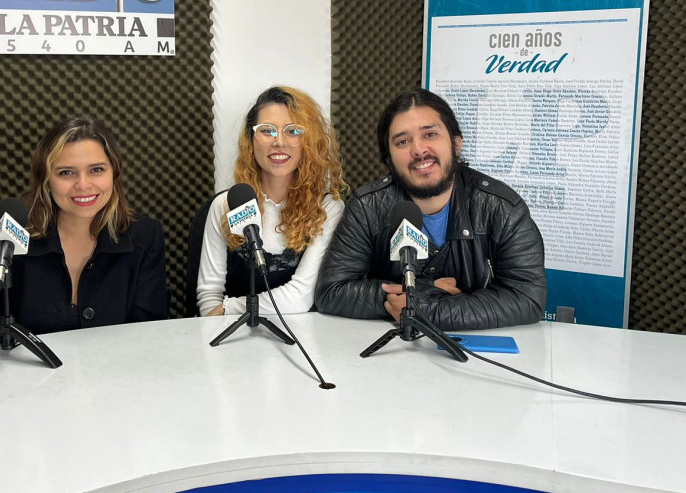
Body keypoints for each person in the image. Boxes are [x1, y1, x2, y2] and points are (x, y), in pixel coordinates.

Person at [315, 88, 545, 329]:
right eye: (403, 141)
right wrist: (425, 290)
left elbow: (527, 298)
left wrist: (424, 310)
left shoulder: (502, 207)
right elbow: (331, 292)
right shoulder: (367, 207)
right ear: (389, 160)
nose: (418, 149)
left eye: (430, 134)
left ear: (456, 144)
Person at [0, 117, 167, 344]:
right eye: (66, 173)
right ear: (46, 180)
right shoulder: (8, 234)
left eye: (96, 170)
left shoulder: (144, 236)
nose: (83, 185)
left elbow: (149, 338)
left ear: (114, 173)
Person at [197, 86, 348, 316]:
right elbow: (209, 296)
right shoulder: (224, 205)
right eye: (267, 130)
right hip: (233, 338)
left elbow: (300, 297)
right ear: (251, 139)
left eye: (293, 131)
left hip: (300, 341)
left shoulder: (327, 208)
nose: (279, 142)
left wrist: (229, 307)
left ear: (309, 141)